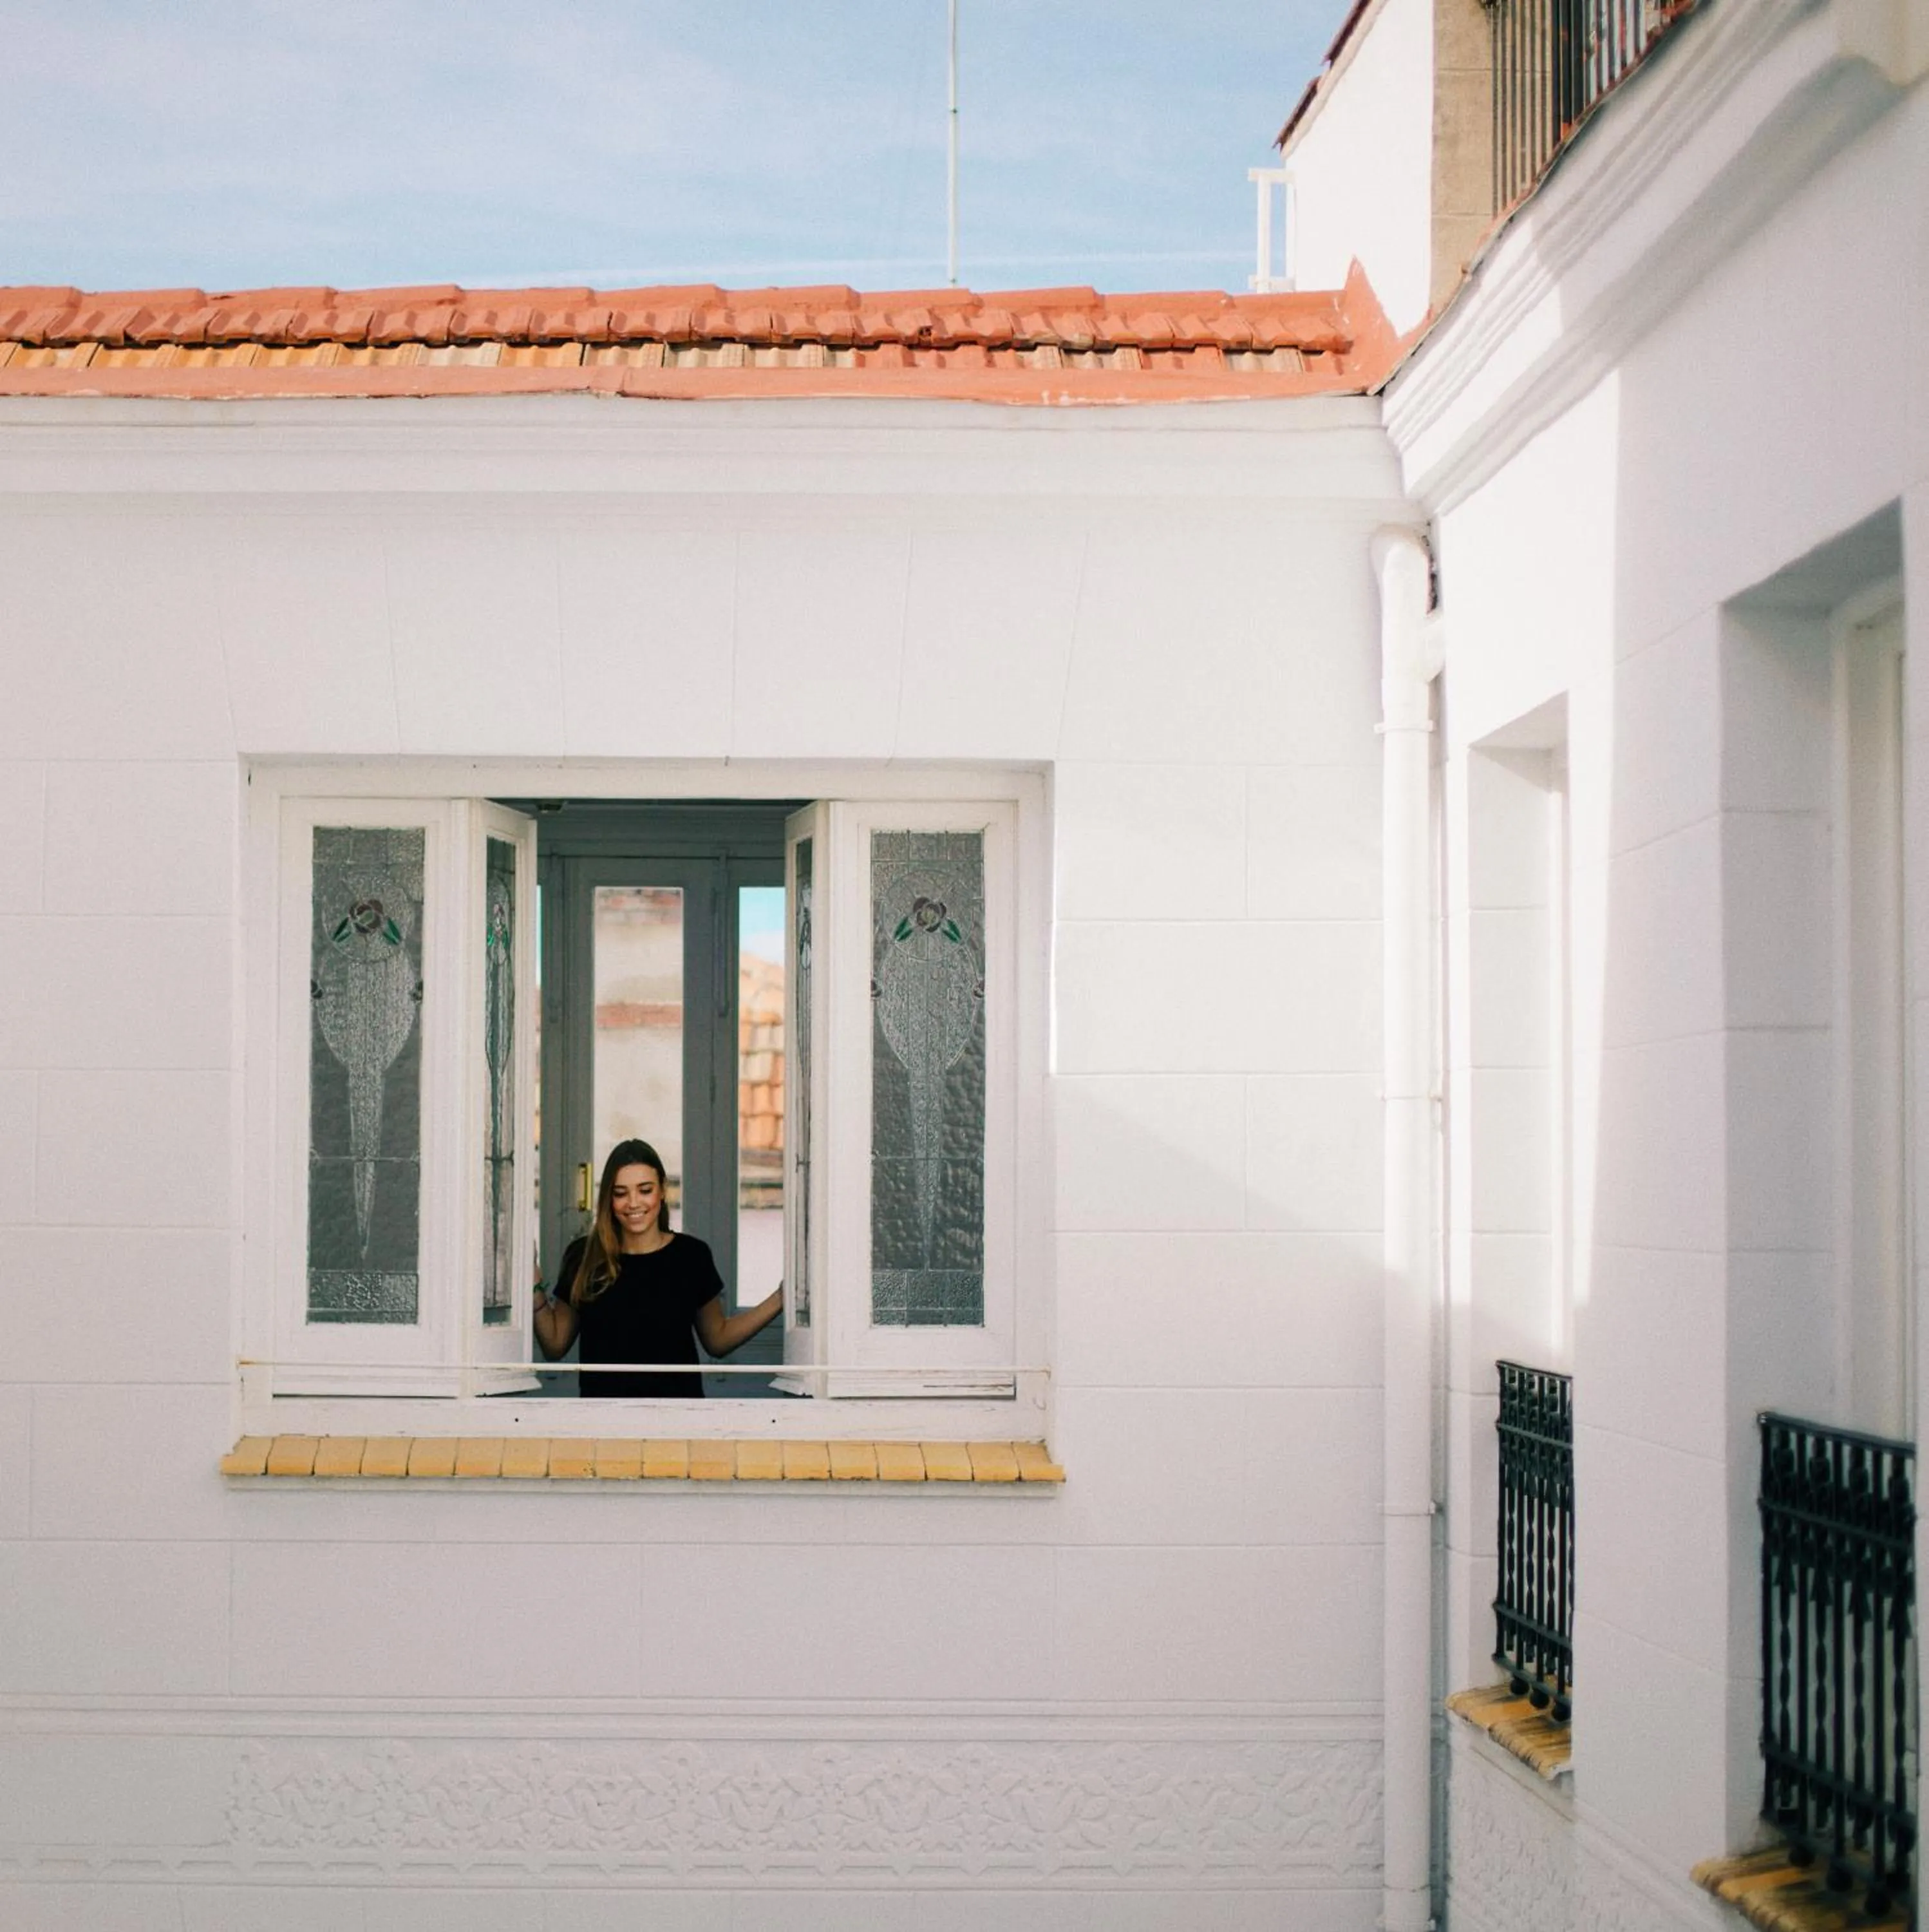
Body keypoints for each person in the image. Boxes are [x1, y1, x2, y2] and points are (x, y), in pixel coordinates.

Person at [535, 1139, 782, 1397]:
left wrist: (781, 1298)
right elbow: (554, 1345)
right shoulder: (584, 1256)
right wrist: (531, 1279)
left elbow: (718, 1340)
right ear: (609, 1198)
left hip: (677, 1418)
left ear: (663, 1190)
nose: (633, 1203)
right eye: (620, 1193)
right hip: (604, 1422)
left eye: (645, 1190)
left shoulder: (691, 1256)